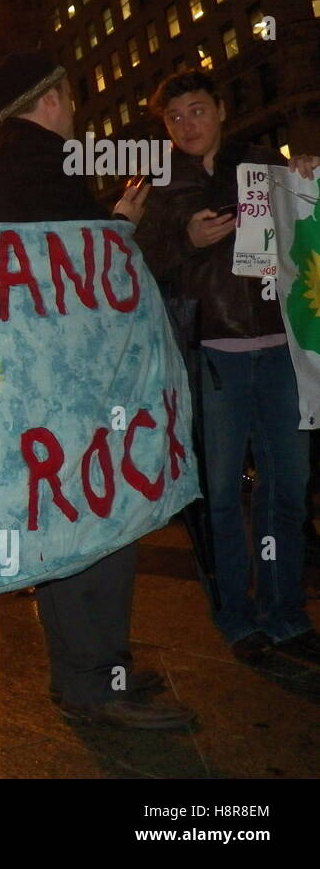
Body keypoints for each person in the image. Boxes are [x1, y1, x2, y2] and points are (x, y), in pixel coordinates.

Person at [0, 51, 197, 729]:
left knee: (77, 517)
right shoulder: (37, 161)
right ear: (50, 101)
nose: (74, 111)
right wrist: (121, 224)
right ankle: (94, 683)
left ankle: (89, 673)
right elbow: (74, 261)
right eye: (69, 98)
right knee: (95, 518)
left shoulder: (6, 164)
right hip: (70, 384)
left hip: (44, 381)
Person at [135, 70, 320, 668]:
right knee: (219, 494)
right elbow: (134, 263)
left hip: (282, 350)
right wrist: (184, 239)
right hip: (211, 357)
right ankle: (236, 619)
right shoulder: (156, 184)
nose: (188, 125)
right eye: (175, 118)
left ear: (220, 108)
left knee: (286, 488)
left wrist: (308, 175)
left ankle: (284, 611)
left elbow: (301, 230)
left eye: (197, 110)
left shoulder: (261, 163)